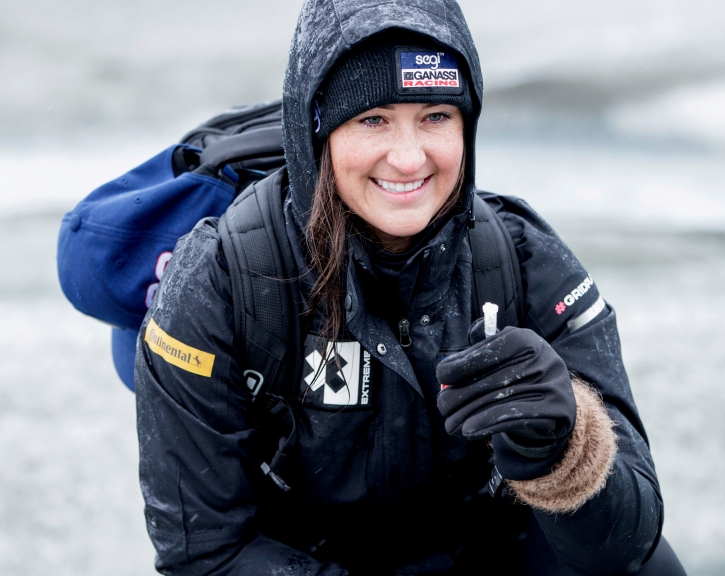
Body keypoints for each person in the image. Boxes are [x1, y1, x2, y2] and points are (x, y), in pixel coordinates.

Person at [135, 0, 687, 574]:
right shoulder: (223, 280)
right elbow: (206, 552)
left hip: (479, 550)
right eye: (373, 118)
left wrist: (564, 448)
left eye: (436, 116)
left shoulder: (522, 259)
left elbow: (629, 547)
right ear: (317, 132)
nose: (408, 157)